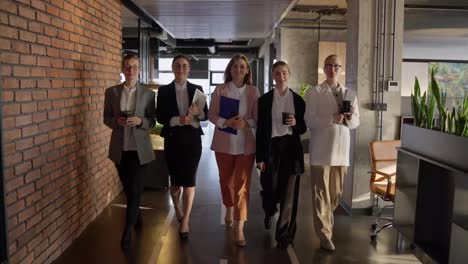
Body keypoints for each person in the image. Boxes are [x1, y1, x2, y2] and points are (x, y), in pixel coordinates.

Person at [304, 54, 360, 252]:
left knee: (335, 195)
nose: (332, 69)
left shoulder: (350, 93)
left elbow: (355, 124)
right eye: (329, 65)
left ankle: (326, 223)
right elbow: (309, 120)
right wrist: (332, 118)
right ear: (324, 68)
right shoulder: (314, 92)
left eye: (336, 66)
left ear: (341, 69)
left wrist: (350, 116)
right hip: (321, 151)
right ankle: (324, 235)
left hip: (341, 152)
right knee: (320, 195)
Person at [103, 53, 156, 249]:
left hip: (140, 150)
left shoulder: (149, 94)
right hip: (119, 149)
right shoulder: (112, 92)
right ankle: (138, 216)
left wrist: (141, 121)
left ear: (139, 69)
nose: (131, 70)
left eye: (134, 66)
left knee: (134, 189)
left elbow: (152, 121)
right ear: (123, 69)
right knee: (129, 189)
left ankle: (127, 231)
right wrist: (116, 122)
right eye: (127, 66)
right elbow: (106, 118)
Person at [208, 54, 259, 247]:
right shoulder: (220, 90)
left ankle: (239, 226)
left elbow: (257, 118)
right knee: (226, 181)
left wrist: (245, 123)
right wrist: (226, 122)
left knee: (243, 186)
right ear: (230, 69)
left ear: (247, 71)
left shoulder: (254, 92)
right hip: (223, 144)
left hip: (246, 146)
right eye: (235, 66)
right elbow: (212, 115)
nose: (238, 69)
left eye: (242, 67)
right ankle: (228, 208)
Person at [156, 54, 208, 239]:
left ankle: (185, 220)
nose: (181, 69)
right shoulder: (163, 91)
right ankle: (177, 206)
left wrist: (198, 112)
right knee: (176, 181)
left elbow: (206, 116)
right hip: (173, 139)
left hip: (193, 140)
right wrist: (179, 119)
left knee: (189, 180)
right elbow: (160, 117)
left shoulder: (198, 89)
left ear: (189, 69)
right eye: (177, 65)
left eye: (184, 66)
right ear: (172, 68)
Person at [256, 61, 306, 249]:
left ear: (289, 74)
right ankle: (269, 210)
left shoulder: (298, 100)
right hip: (271, 147)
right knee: (269, 187)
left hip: (291, 148)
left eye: (284, 72)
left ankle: (284, 235)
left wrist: (295, 124)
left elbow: (303, 127)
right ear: (273, 76)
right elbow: (261, 130)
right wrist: (259, 157)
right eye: (277, 73)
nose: (281, 76)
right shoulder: (265, 100)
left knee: (289, 194)